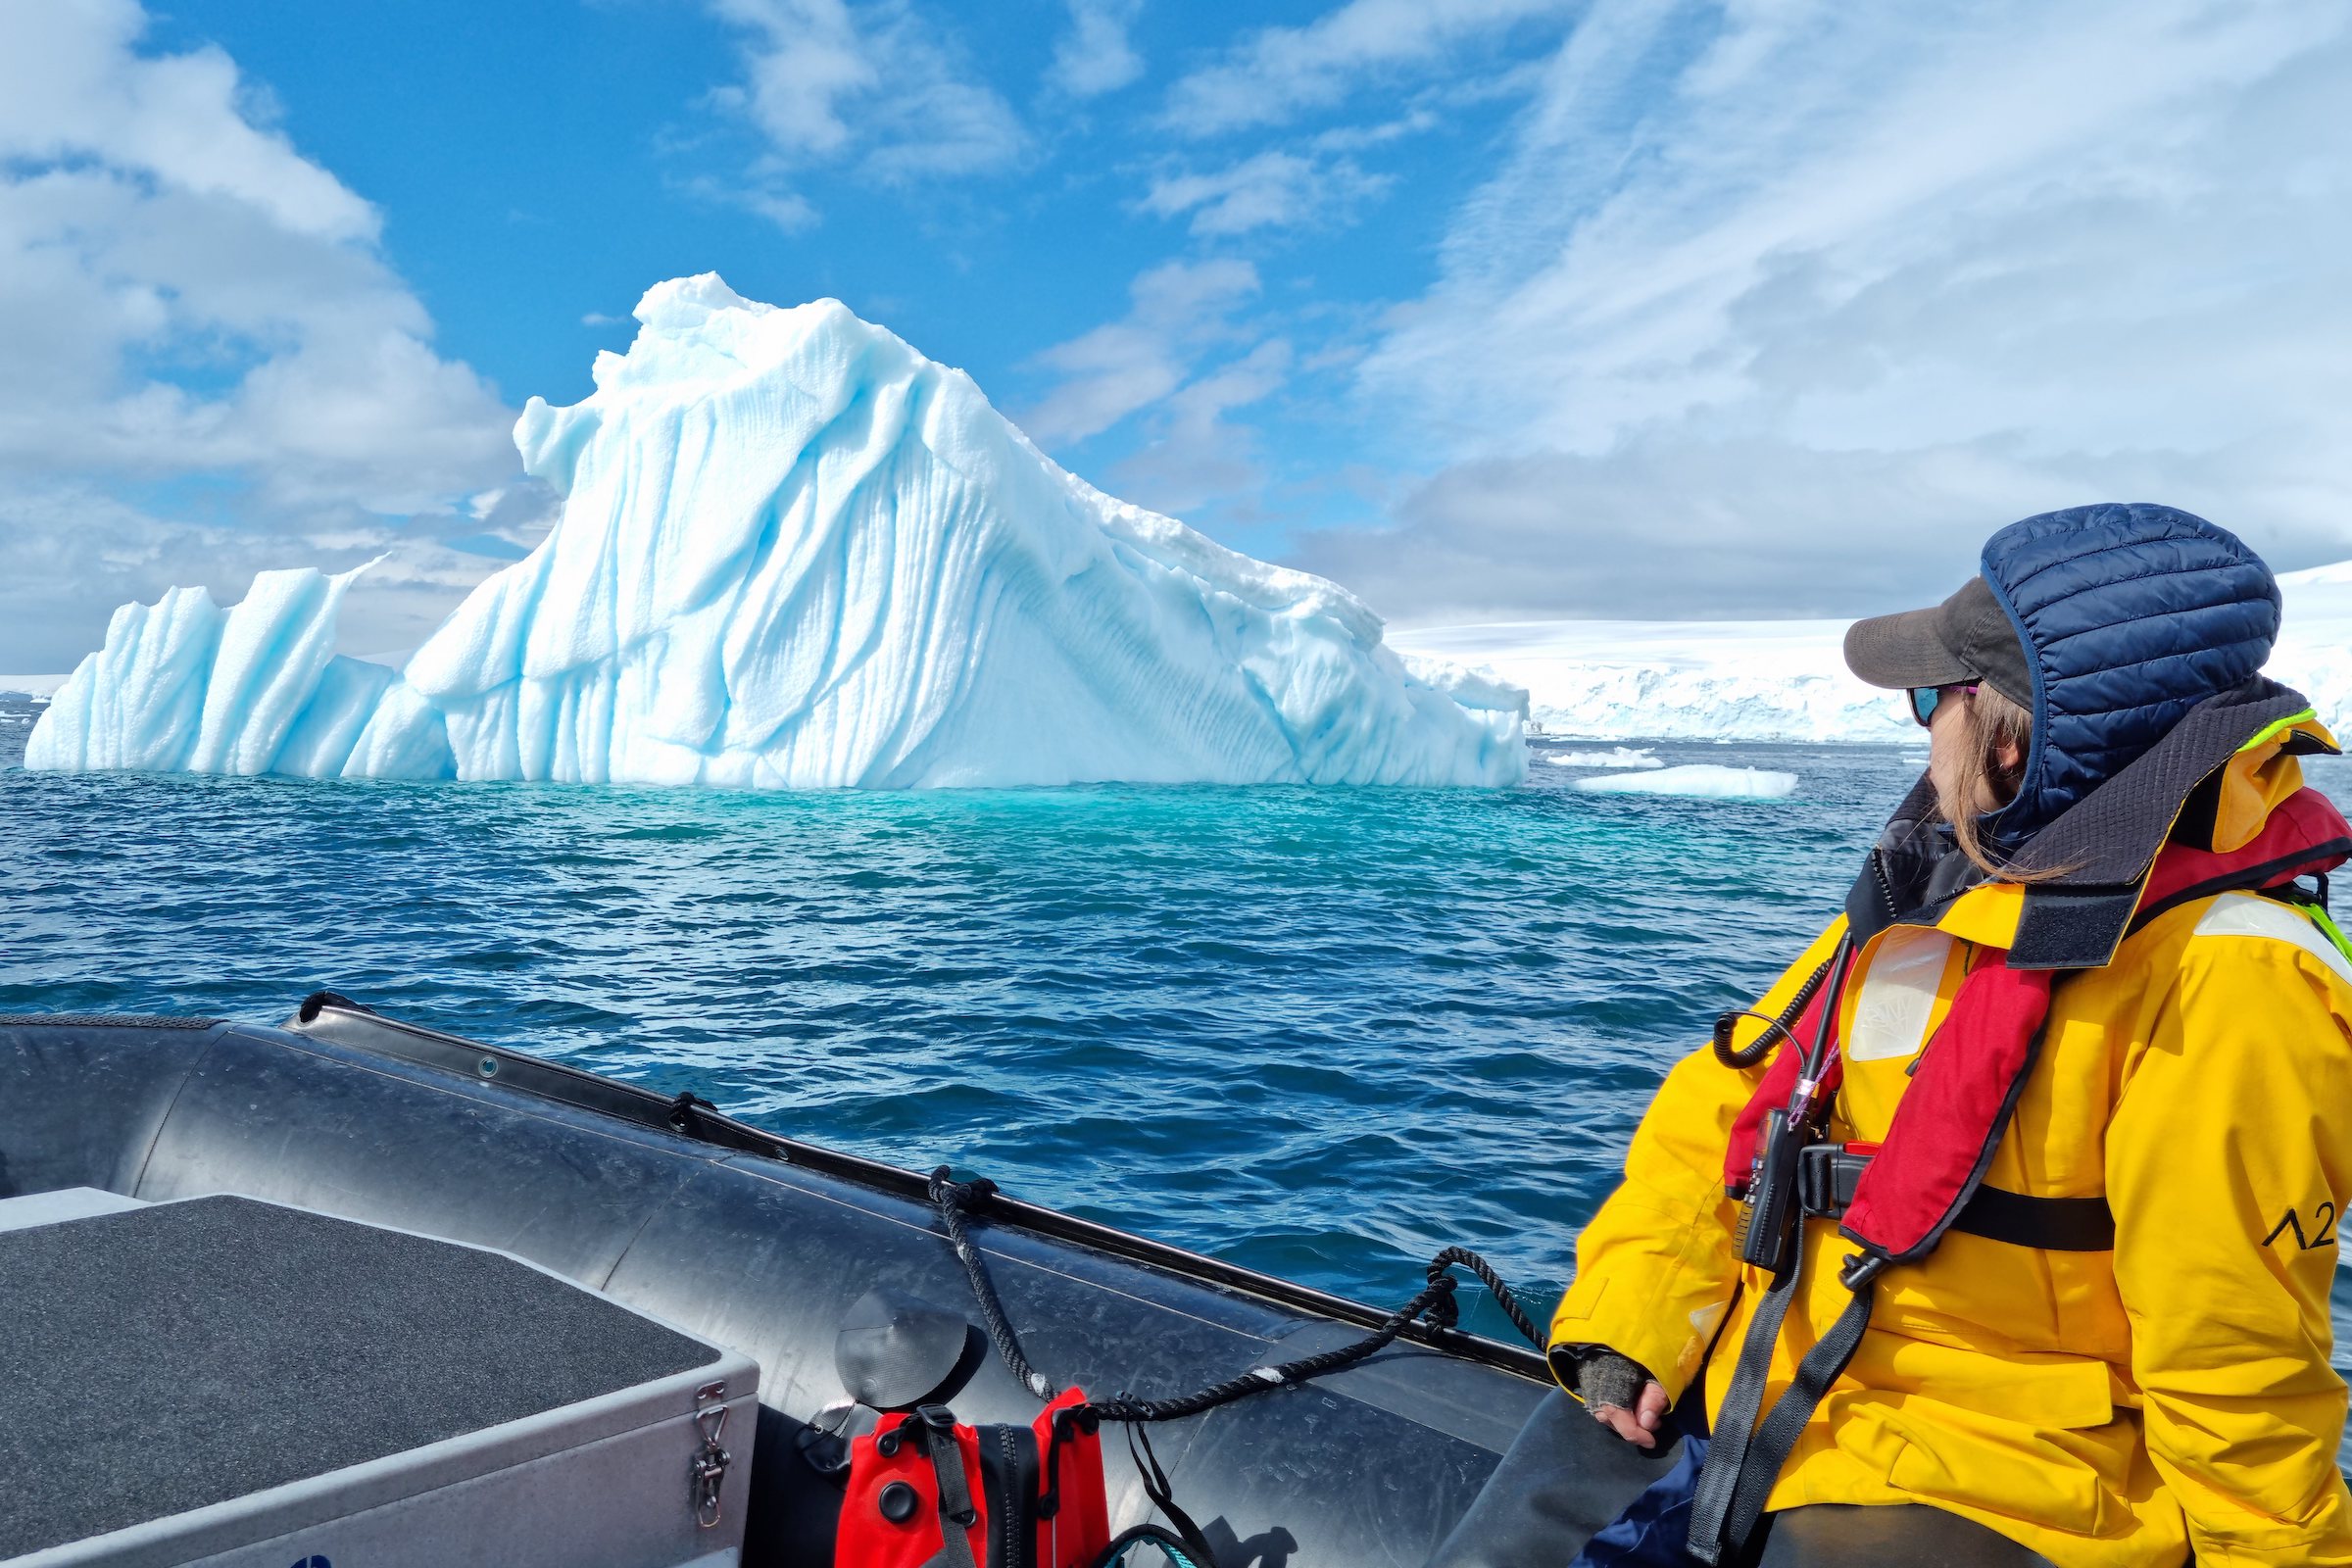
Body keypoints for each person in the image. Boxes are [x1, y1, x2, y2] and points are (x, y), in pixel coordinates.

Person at [1551, 504, 2352, 1567]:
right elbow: (1725, 1106)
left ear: (2016, 734)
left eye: (1932, 698)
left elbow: (2233, 1354)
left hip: (2008, 1477)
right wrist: (1635, 1315)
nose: (1921, 729)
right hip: (1781, 1392)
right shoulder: (1941, 890)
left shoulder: (2233, 975)